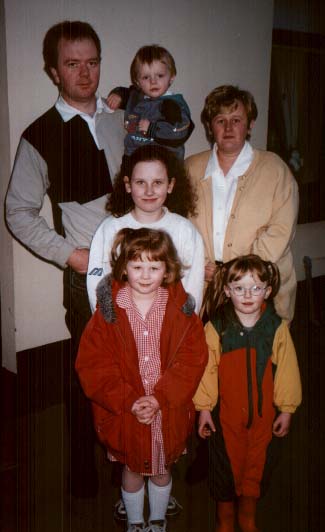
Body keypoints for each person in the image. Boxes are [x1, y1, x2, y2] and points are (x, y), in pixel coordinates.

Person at [5, 20, 125, 498]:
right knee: (87, 380)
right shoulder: (41, 134)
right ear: (52, 71)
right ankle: (82, 476)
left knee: (133, 376)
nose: (84, 73)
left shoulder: (124, 118)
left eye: (92, 62)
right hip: (89, 279)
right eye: (71, 64)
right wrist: (69, 255)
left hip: (140, 271)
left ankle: (129, 472)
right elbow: (18, 211)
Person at [76, 227, 208, 532]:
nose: (145, 275)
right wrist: (128, 400)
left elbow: (192, 359)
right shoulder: (108, 313)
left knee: (163, 469)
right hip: (125, 410)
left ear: (168, 269)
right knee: (132, 468)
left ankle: (157, 520)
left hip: (167, 410)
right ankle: (135, 523)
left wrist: (161, 398)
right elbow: (94, 365)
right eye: (137, 267)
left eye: (154, 267)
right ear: (124, 268)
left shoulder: (182, 311)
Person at [193, 254, 302, 532]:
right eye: (239, 288)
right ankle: (225, 520)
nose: (248, 295)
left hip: (263, 422)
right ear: (227, 291)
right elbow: (206, 369)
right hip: (225, 422)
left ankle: (248, 518)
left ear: (267, 290)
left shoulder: (275, 328)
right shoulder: (217, 327)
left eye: (255, 287)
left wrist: (287, 409)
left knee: (256, 470)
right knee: (225, 474)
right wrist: (204, 408)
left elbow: (288, 369)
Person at [186, 85, 299, 322]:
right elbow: (179, 227)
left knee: (258, 358)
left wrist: (230, 275)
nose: (228, 128)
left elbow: (280, 231)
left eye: (236, 120)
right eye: (220, 120)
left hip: (260, 293)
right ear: (209, 126)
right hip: (205, 291)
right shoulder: (190, 169)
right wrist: (197, 266)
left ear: (250, 125)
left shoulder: (275, 169)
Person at [87, 144, 205, 315]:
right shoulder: (110, 228)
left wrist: (181, 329)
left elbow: (193, 287)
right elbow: (96, 284)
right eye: (140, 182)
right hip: (121, 326)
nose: (149, 191)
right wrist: (108, 325)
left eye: (157, 182)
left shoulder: (185, 230)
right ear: (128, 185)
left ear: (170, 185)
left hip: (170, 326)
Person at [107, 44, 194, 159]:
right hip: (134, 159)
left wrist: (152, 129)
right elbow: (126, 92)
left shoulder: (172, 104)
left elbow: (180, 131)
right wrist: (118, 95)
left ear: (171, 77)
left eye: (160, 75)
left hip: (165, 163)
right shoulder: (135, 98)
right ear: (138, 82)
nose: (153, 81)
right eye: (146, 77)